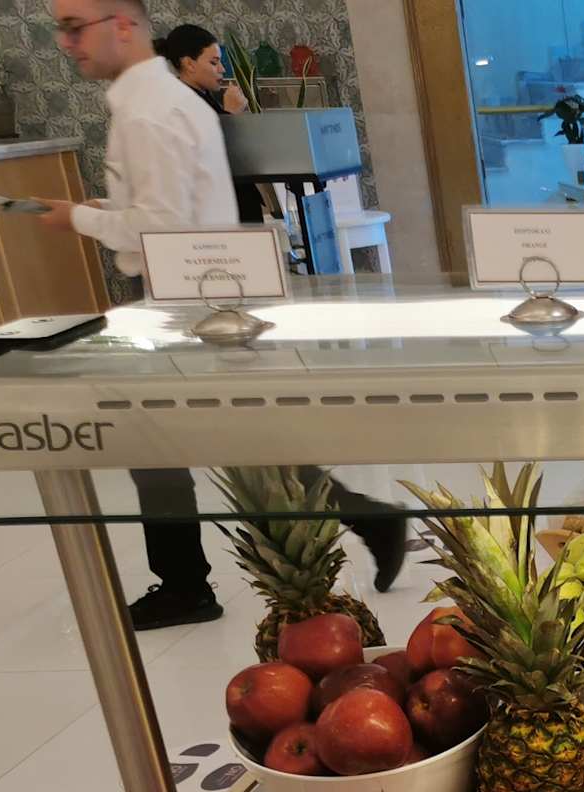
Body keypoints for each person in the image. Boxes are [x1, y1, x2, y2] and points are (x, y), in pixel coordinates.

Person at [31, 0, 404, 629]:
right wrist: (107, 211)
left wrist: (81, 218)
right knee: (225, 444)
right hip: (196, 298)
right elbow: (164, 211)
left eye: (74, 27)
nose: (66, 43)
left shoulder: (150, 111)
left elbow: (158, 227)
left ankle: (189, 584)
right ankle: (363, 520)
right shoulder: (156, 102)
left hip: (187, 304)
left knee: (174, 445)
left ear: (121, 26)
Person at [158, 23, 261, 226]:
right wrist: (230, 113)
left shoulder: (203, 96)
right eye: (214, 62)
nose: (222, 69)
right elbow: (207, 153)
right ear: (189, 64)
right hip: (217, 212)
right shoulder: (180, 104)